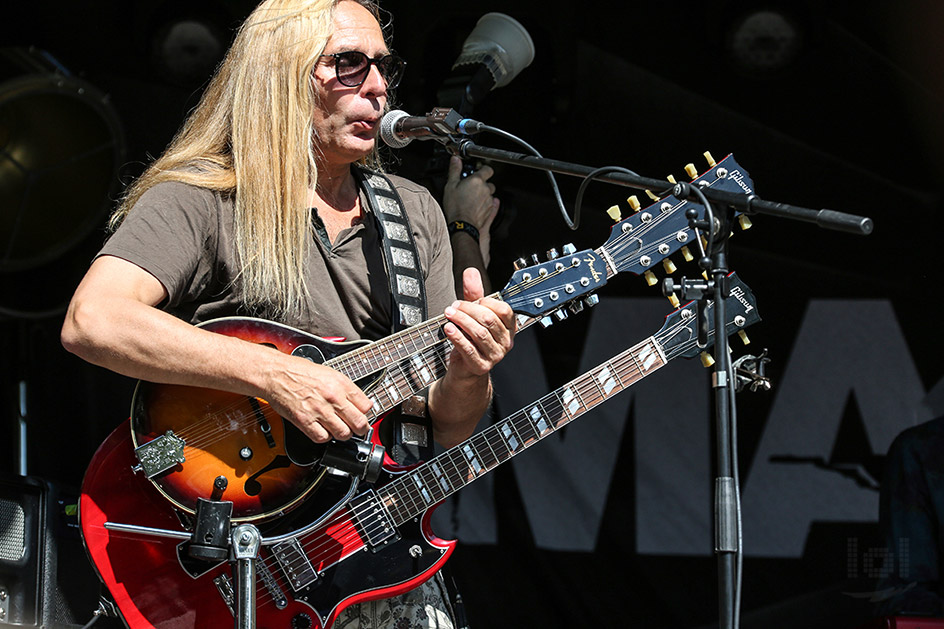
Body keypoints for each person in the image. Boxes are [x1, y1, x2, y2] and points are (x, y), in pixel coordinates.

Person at [60, 0, 515, 626]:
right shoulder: (204, 199)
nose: (379, 87)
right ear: (281, 75)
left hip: (364, 567)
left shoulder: (414, 215)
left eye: (383, 66)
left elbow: (444, 427)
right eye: (349, 64)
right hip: (232, 545)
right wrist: (276, 375)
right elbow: (94, 320)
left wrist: (471, 372)